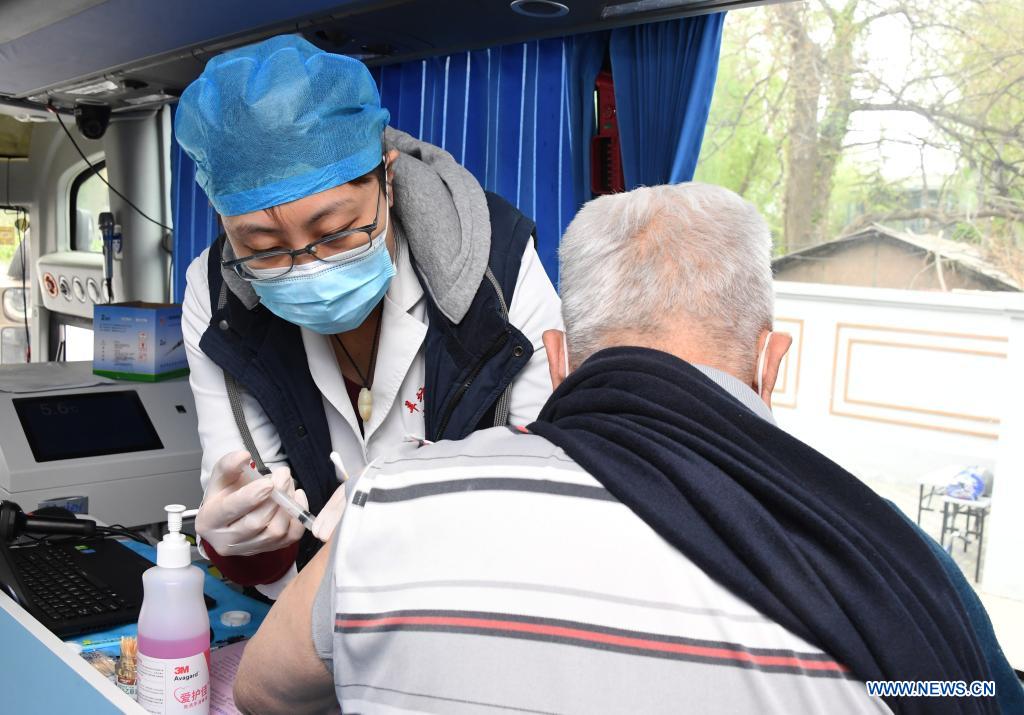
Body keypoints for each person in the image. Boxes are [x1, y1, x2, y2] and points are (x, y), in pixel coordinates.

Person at [233, 182, 1019, 714]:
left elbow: (262, 689)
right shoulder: (893, 564)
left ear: (562, 358)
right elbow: (964, 692)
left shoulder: (392, 504)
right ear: (773, 363)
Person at [174, 34, 561, 595]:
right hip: (313, 614)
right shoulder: (218, 296)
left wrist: (414, 512)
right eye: (262, 246)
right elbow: (255, 512)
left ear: (387, 177)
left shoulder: (495, 262)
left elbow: (548, 489)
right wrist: (242, 542)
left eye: (335, 233)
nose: (306, 266)